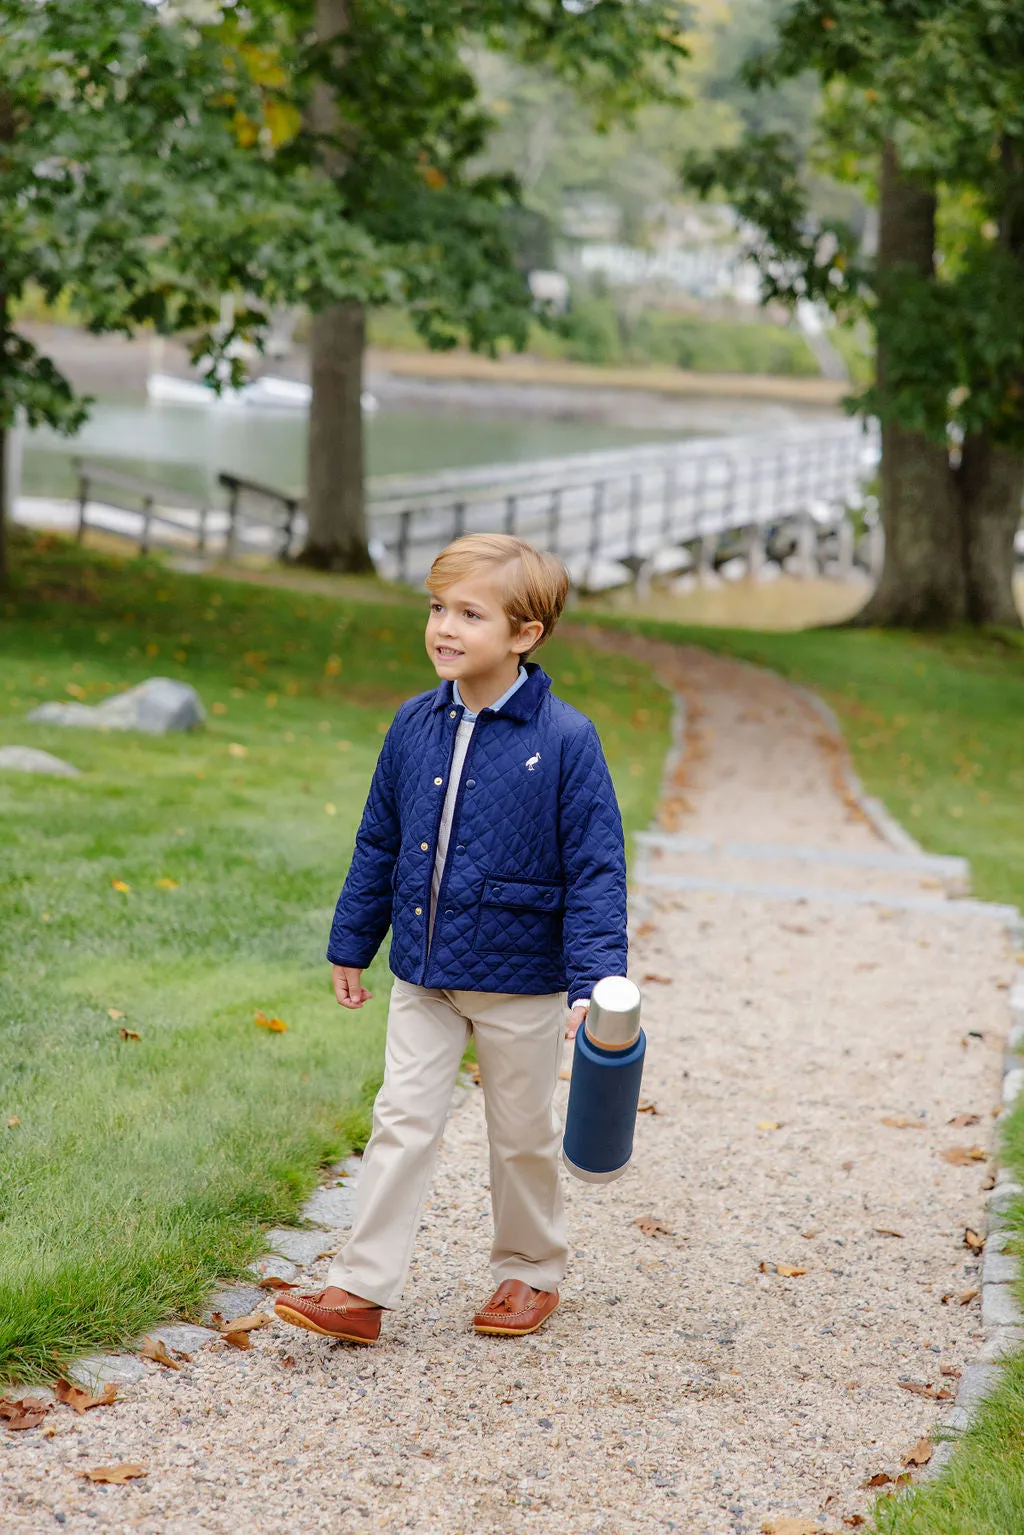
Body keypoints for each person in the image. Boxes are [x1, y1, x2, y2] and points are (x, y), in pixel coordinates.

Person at [275, 533, 627, 1344]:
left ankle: (529, 1271)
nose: (444, 627)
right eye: (438, 608)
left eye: (470, 613)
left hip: (522, 979)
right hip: (425, 974)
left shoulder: (567, 741)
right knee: (401, 1115)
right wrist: (352, 939)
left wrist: (593, 985)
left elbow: (598, 871)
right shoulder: (413, 723)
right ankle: (359, 1289)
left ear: (524, 634)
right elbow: (378, 840)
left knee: (522, 1132)